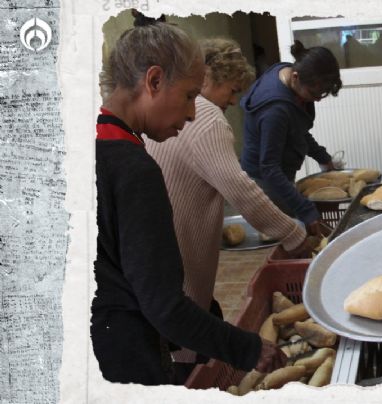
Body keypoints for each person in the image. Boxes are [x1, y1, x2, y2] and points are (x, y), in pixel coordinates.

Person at [93, 16, 286, 385]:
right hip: (125, 358)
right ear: (153, 81)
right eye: (189, 95)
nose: (193, 112)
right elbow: (163, 306)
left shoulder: (93, 143)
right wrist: (249, 348)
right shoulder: (134, 169)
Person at [145, 38, 316, 367]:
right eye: (233, 89)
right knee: (188, 353)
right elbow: (241, 190)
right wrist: (294, 234)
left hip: (162, 259)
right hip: (180, 263)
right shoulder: (205, 119)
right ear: (208, 78)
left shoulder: (173, 114)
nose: (235, 100)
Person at [240, 40, 343, 232]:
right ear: (295, 77)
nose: (318, 99)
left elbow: (297, 129)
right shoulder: (275, 110)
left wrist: (322, 157)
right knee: (291, 232)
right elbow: (269, 167)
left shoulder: (290, 74)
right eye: (314, 93)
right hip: (264, 182)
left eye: (323, 94)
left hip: (276, 173)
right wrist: (306, 210)